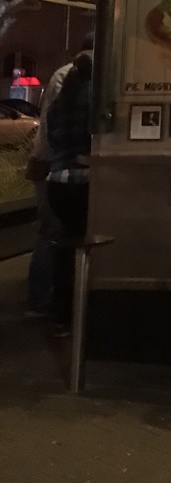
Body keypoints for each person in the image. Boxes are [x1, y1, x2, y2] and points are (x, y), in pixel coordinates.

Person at [23, 34, 94, 318]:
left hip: (55, 172)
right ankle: (53, 303)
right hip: (74, 174)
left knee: (56, 237)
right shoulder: (91, 86)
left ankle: (48, 303)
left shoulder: (62, 83)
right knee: (62, 237)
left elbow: (49, 131)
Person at [45, 49, 94, 331]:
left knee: (65, 245)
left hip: (57, 182)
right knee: (83, 246)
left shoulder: (60, 101)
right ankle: (80, 313)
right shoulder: (94, 99)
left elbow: (51, 140)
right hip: (83, 181)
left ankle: (60, 311)